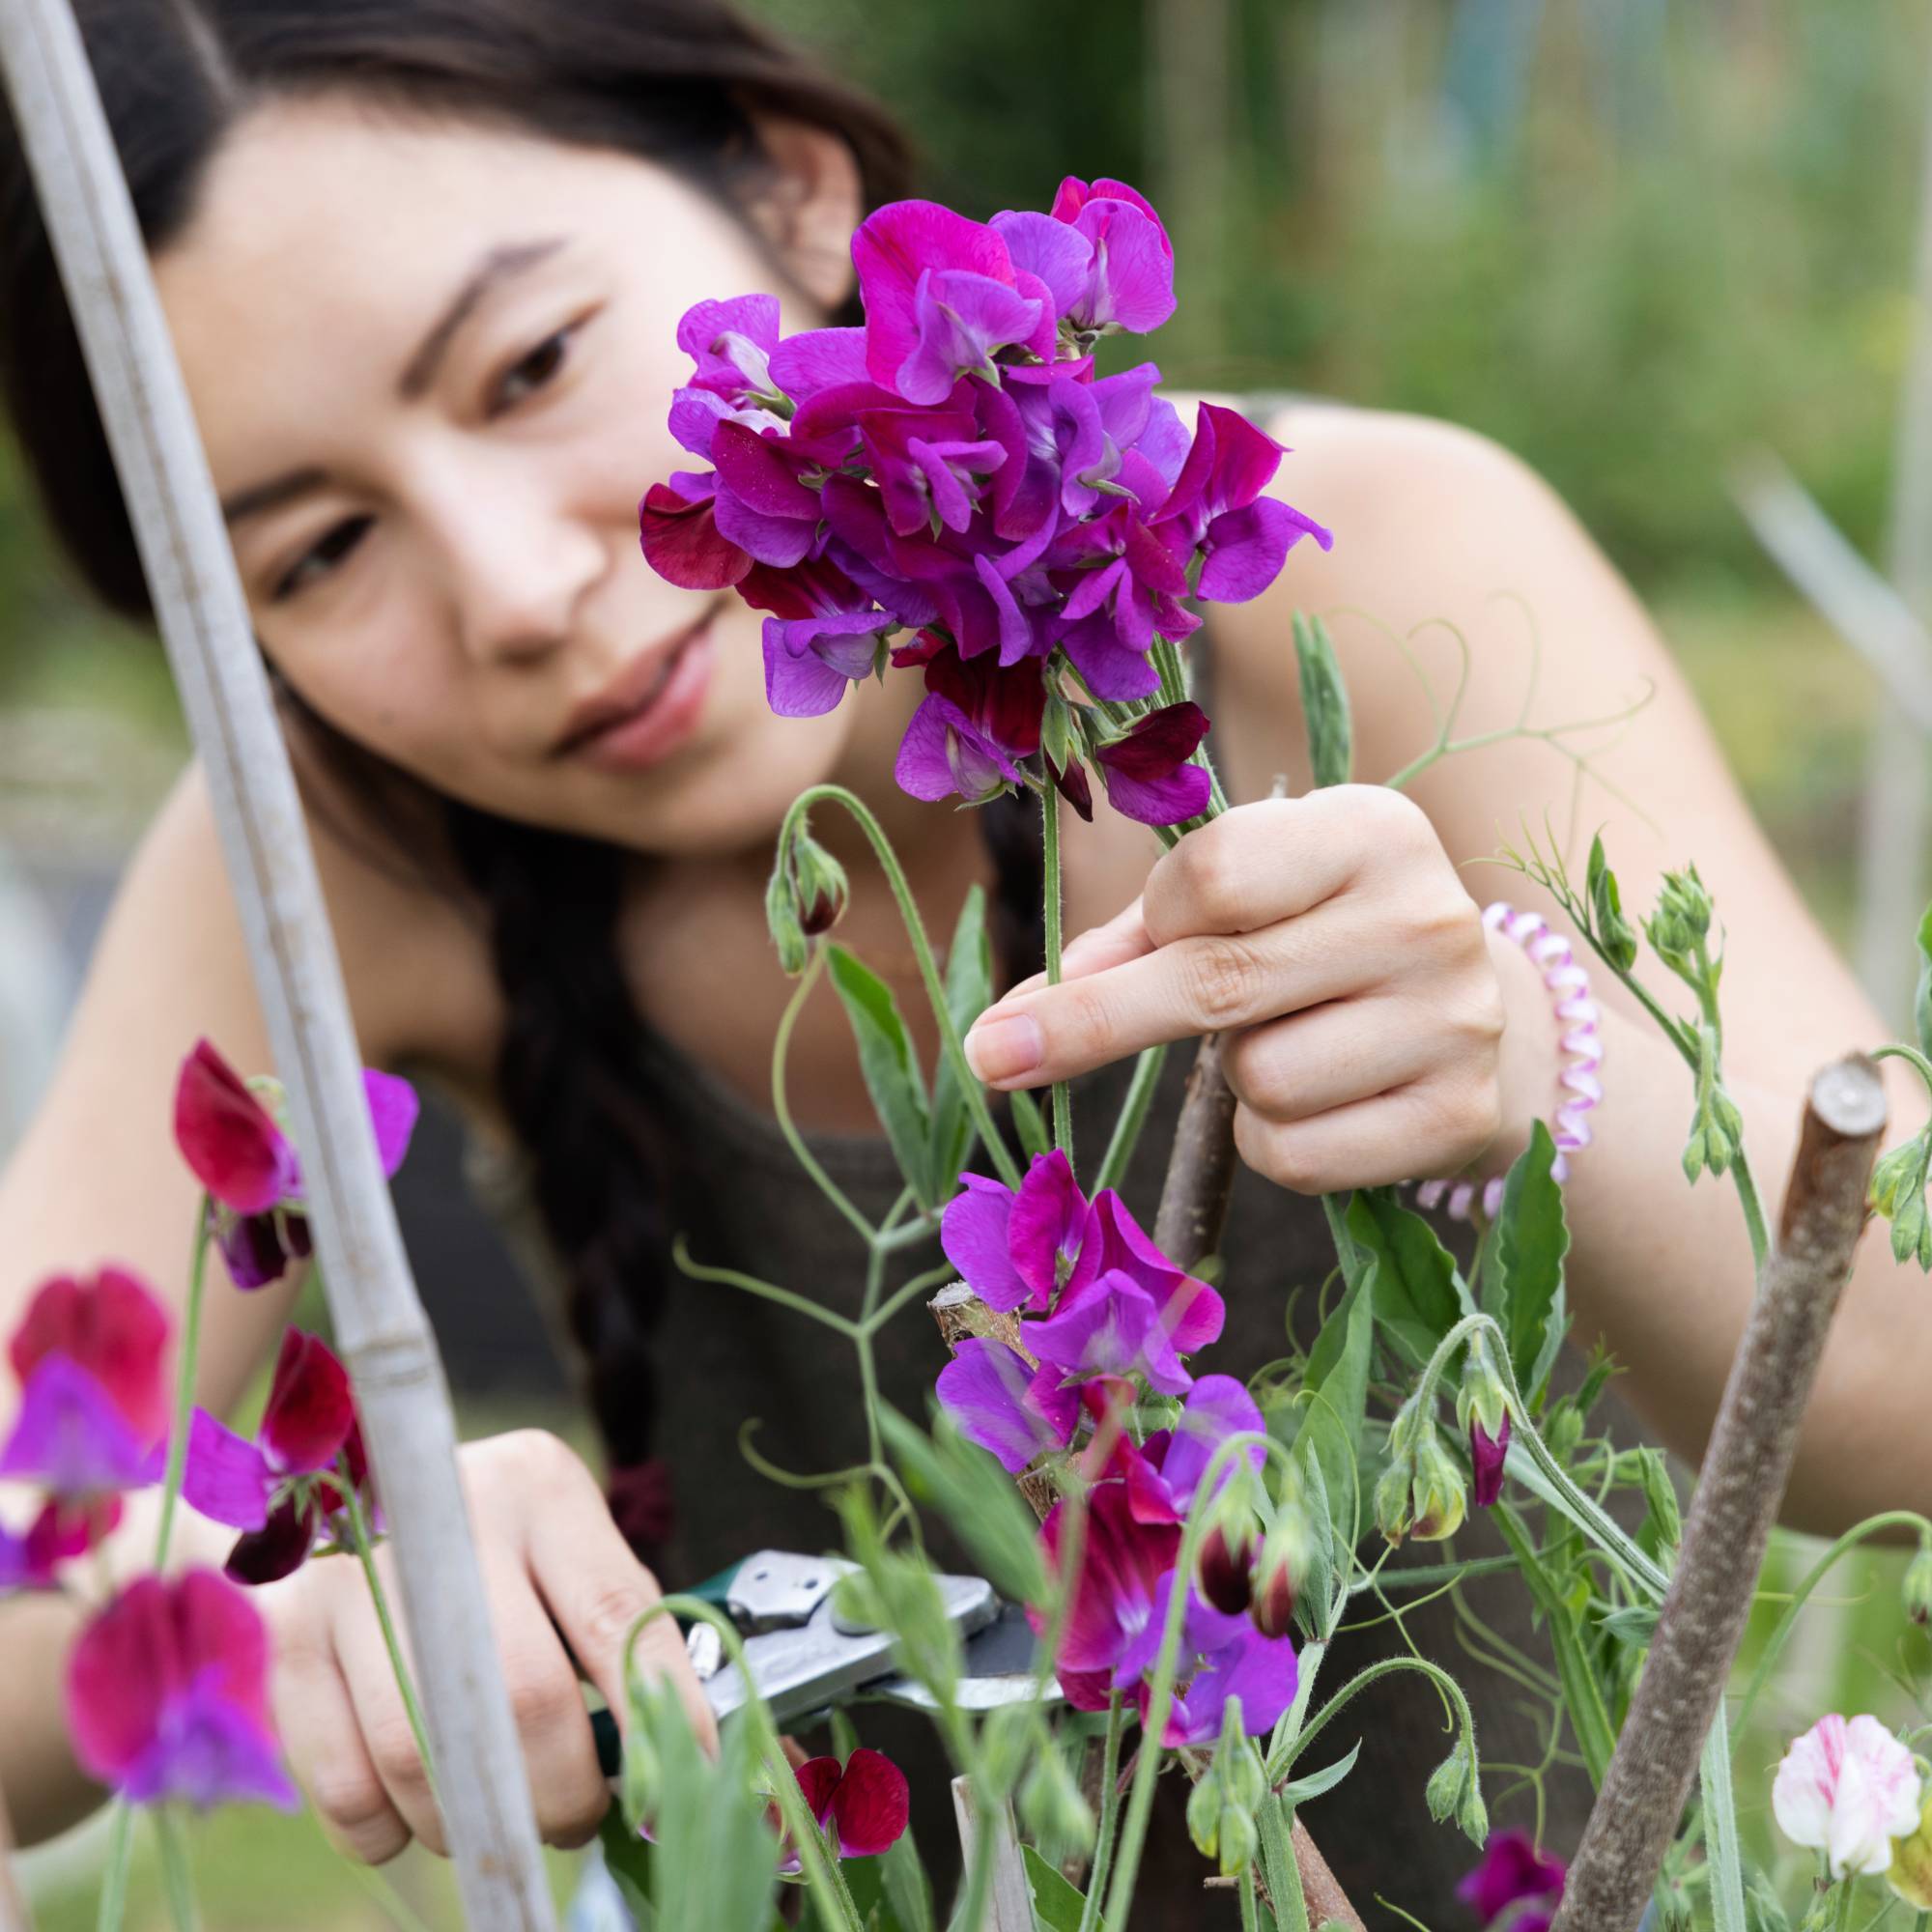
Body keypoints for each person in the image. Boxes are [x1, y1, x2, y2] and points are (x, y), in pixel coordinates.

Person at [0, 1, 1920, 1921]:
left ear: (792, 186)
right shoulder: (344, 852)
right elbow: (23, 1536)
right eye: (321, 549)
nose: (515, 589)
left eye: (531, 364)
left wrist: (1534, 1064)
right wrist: (298, 1576)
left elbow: (1900, 1376)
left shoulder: (1355, 574)